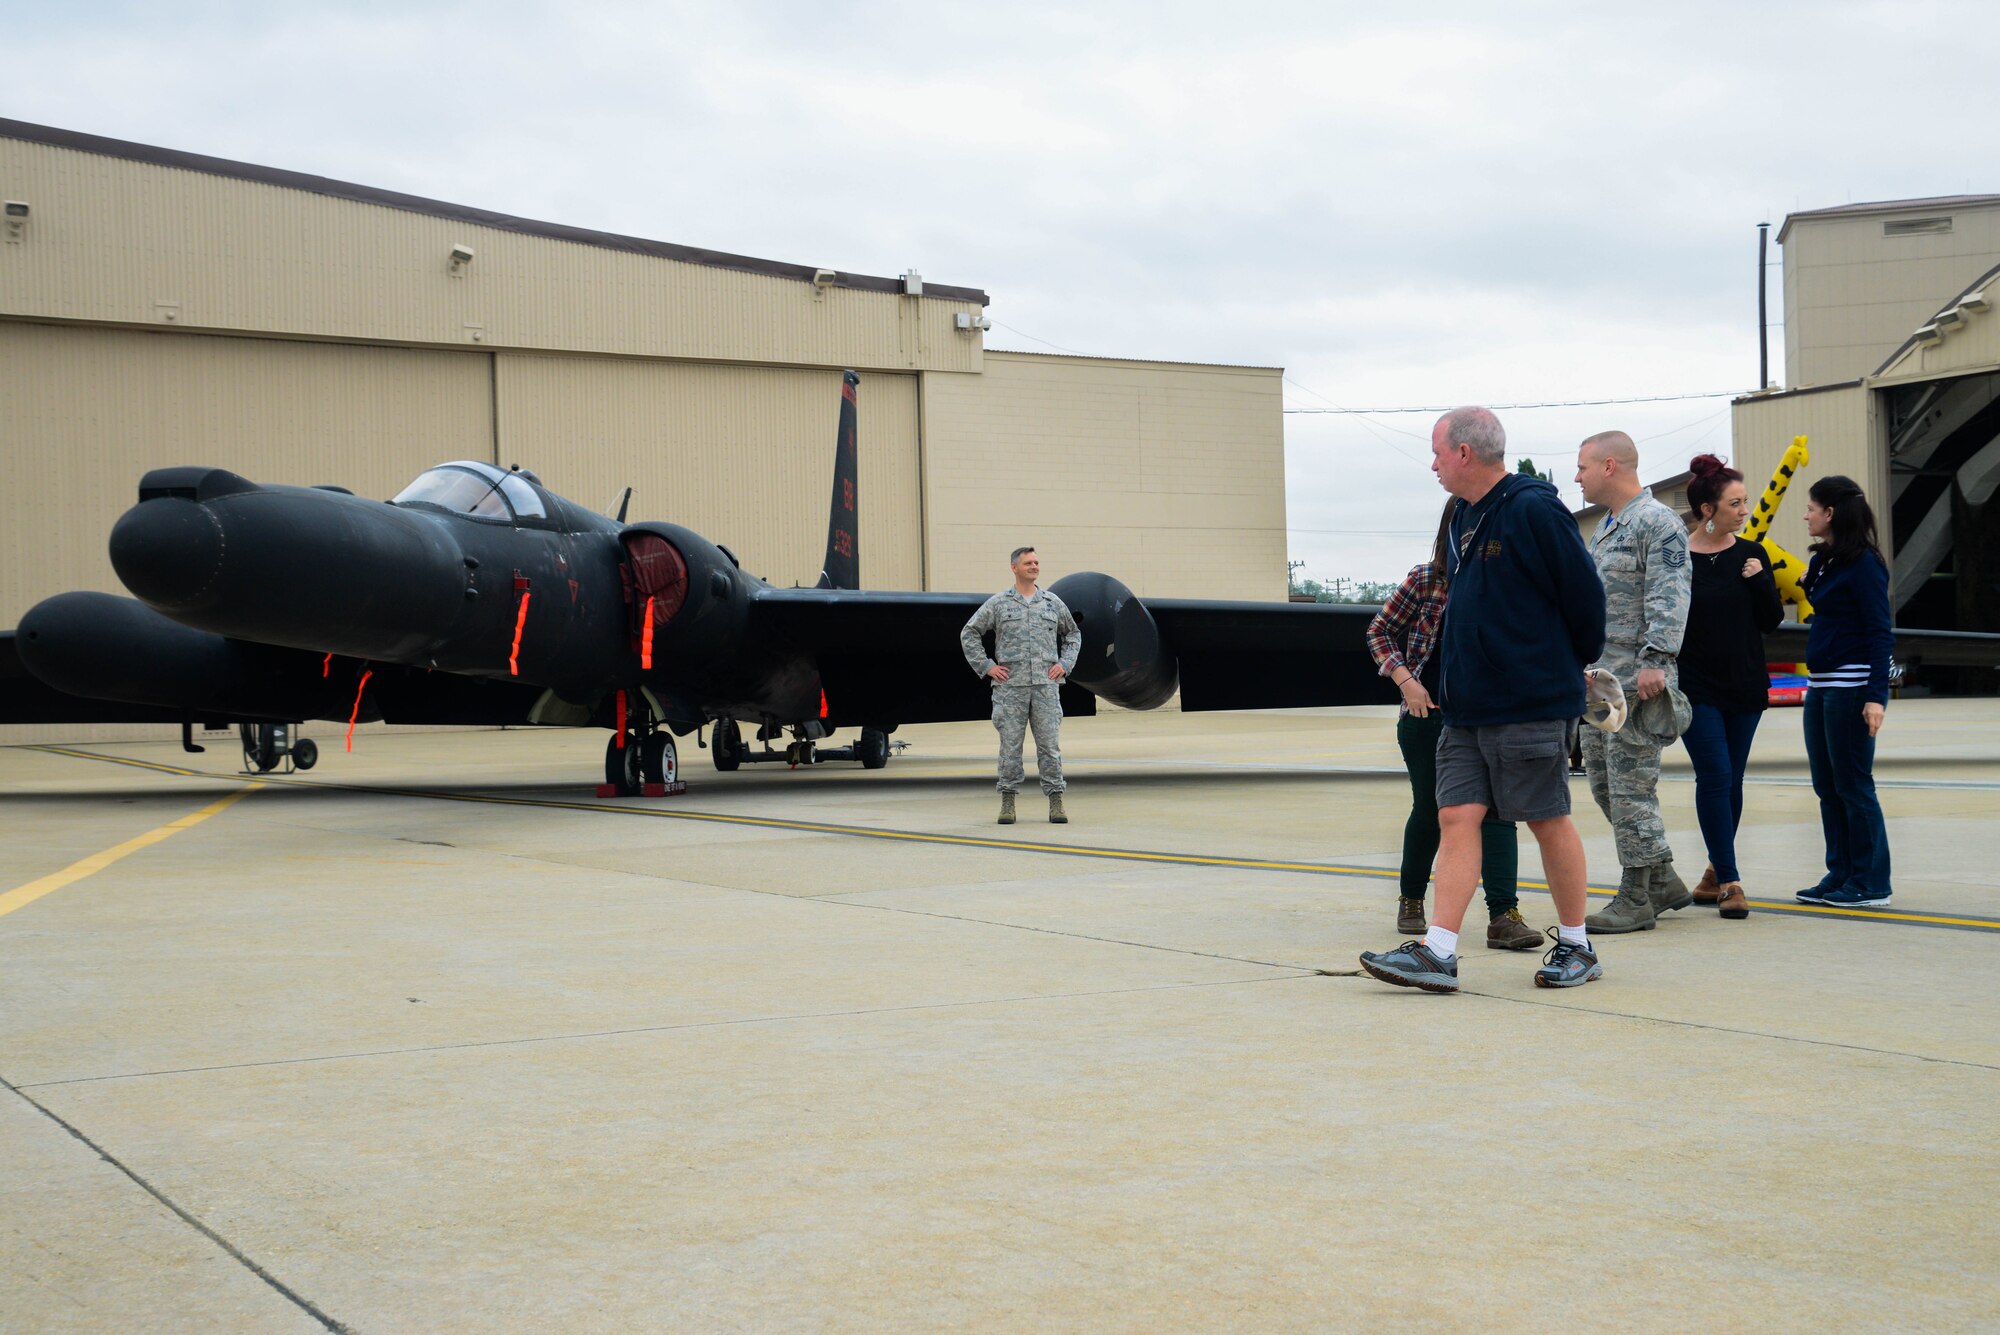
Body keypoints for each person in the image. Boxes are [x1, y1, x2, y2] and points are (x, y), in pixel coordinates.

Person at [1358, 407, 1607, 993]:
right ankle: (1438, 952)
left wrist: (1563, 669)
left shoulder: (1532, 509)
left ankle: (1577, 946)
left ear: (1465, 453)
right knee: (1454, 815)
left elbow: (1584, 599)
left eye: (1439, 451)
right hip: (1465, 706)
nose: (1435, 463)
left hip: (1526, 700)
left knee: (1546, 819)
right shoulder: (1464, 517)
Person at [1365, 500, 1539, 950]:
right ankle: (1411, 898)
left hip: (1490, 716)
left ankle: (1504, 915)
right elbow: (1378, 631)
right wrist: (1408, 683)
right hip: (1429, 718)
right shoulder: (1428, 579)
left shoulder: (1505, 581)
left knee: (1499, 814)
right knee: (1431, 810)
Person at [1572, 430, 1693, 934]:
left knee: (1631, 790)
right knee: (1604, 786)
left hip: (1637, 680)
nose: (1576, 476)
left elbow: (1671, 593)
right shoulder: (1606, 527)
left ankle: (1637, 895)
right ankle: (1661, 876)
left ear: (1609, 466)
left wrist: (1657, 661)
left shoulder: (1657, 522)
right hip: (1603, 684)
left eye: (1582, 466)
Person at [1678, 454, 1784, 919]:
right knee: (1716, 775)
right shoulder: (1677, 558)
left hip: (1744, 684)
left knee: (1733, 779)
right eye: (1734, 503)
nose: (1744, 511)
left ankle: (1712, 873)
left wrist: (1761, 583)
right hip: (1695, 686)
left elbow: (1772, 621)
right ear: (1707, 510)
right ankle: (1731, 881)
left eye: (1745, 502)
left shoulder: (1752, 554)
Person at [1794, 475, 1895, 908]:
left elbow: (1880, 633)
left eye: (1812, 508)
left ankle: (1872, 882)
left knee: (1854, 784)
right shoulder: (1827, 561)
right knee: (1827, 786)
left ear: (1831, 513)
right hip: (1820, 688)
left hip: (1852, 689)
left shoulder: (1865, 564)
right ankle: (1840, 874)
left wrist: (1877, 697)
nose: (1806, 515)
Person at [959, 546, 1081, 825]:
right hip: (1010, 689)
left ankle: (1056, 800)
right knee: (1010, 748)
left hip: (1045, 687)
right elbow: (970, 632)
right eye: (1028, 563)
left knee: (1049, 747)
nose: (1034, 566)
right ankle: (1008, 801)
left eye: (1037, 562)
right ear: (1014, 567)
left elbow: (1073, 634)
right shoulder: (999, 604)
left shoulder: (1051, 603)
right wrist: (987, 666)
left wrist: (1065, 664)